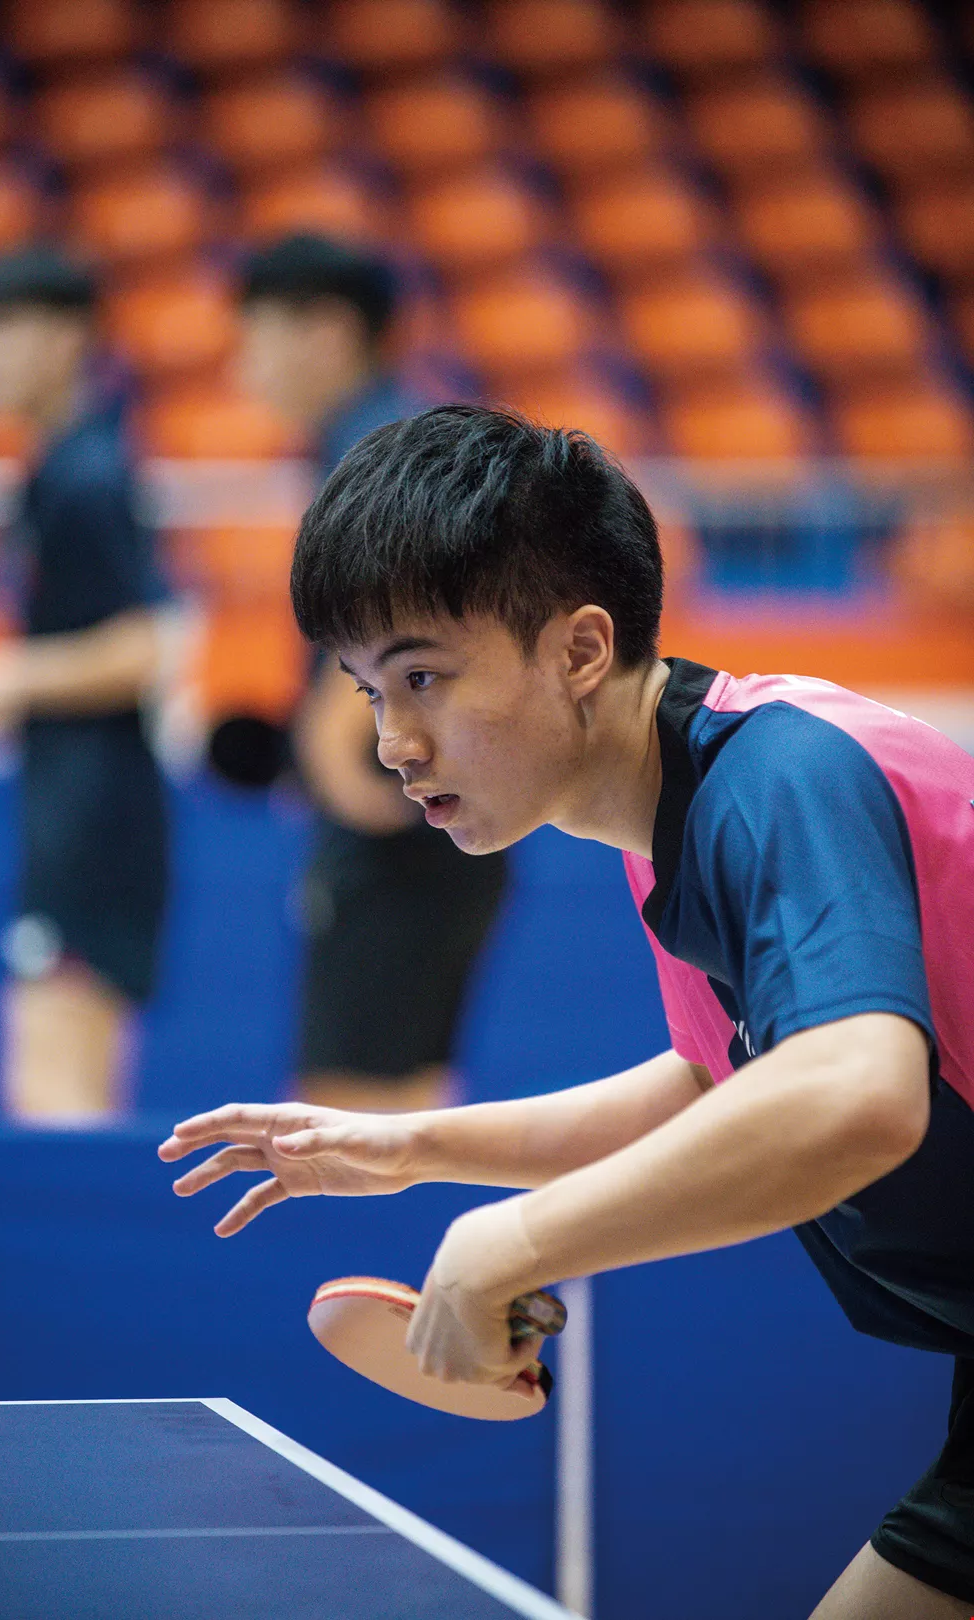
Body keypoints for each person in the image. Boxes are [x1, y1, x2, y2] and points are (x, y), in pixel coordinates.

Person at [161, 405, 974, 1617]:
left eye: (424, 678)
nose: (392, 743)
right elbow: (718, 1083)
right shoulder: (674, 816)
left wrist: (526, 1239)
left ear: (582, 649)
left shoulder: (783, 781)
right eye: (370, 692)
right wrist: (415, 1149)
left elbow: (857, 1096)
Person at [0, 247, 182, 1121]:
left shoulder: (87, 476)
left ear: (66, 339)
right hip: (77, 810)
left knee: (54, 1093)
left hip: (94, 822)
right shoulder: (62, 466)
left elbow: (146, 645)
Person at [235, 235, 508, 1112]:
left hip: (396, 826)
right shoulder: (390, 433)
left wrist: (333, 752)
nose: (245, 367)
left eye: (257, 337)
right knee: (408, 1094)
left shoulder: (380, 447)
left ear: (326, 332)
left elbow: (410, 602)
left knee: (342, 1109)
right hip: (441, 806)